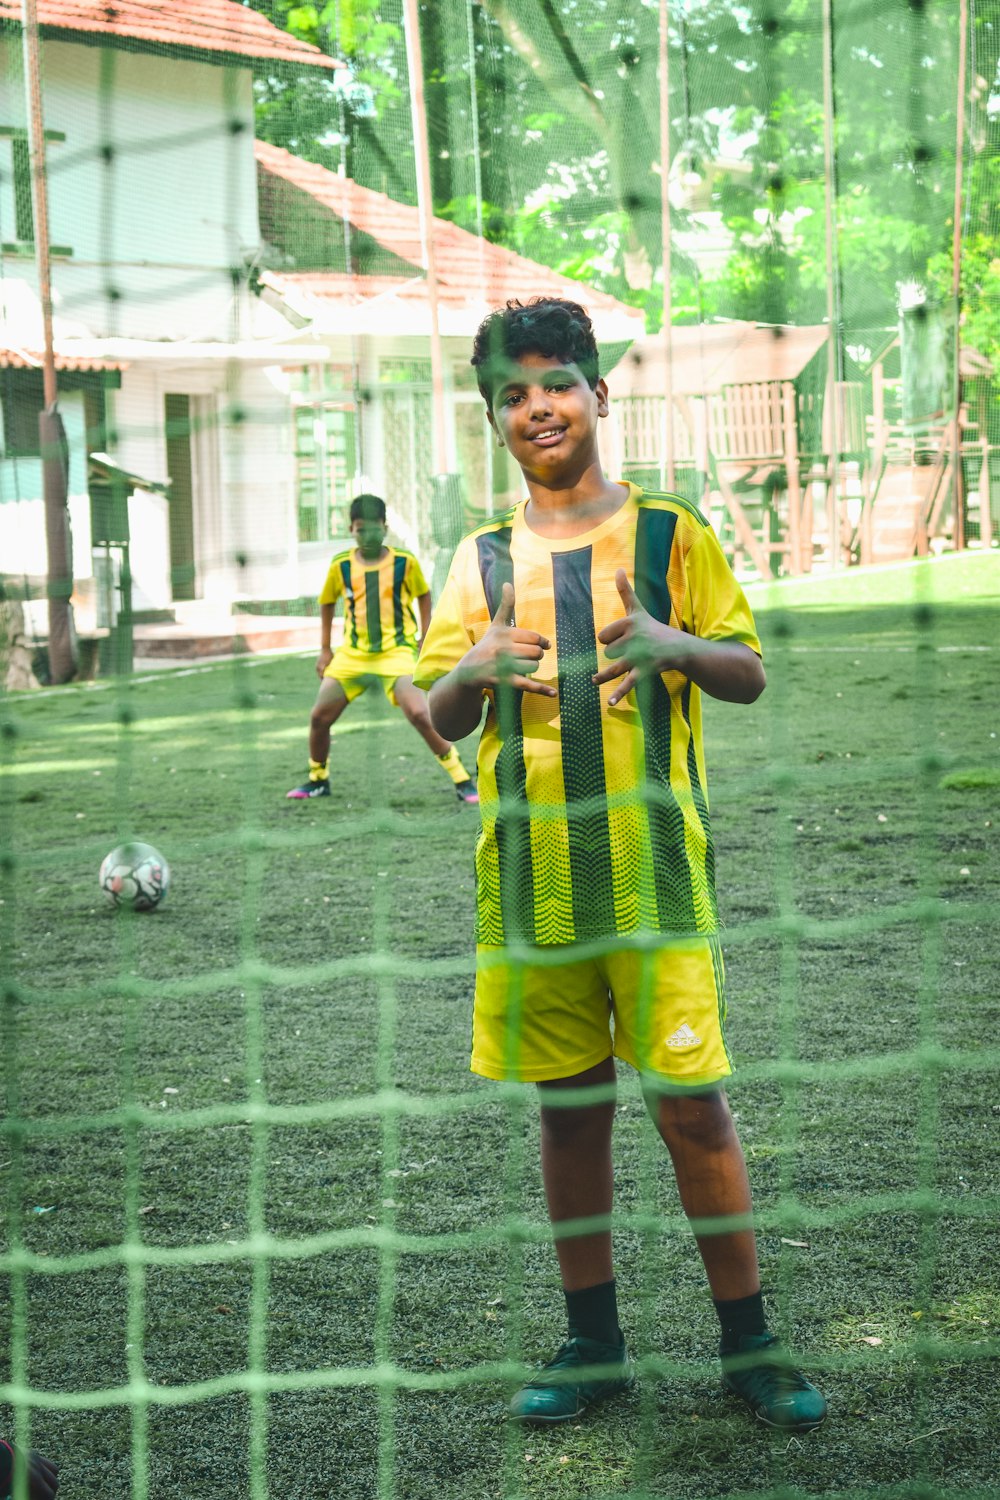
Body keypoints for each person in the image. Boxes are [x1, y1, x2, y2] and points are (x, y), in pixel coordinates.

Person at [414, 297, 827, 1430]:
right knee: (568, 1117)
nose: (535, 406)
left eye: (554, 381)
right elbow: (442, 714)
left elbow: (745, 670)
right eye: (510, 392)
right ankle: (590, 1343)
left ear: (600, 392)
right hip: (532, 888)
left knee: (694, 1110)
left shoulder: (667, 535)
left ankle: (750, 1342)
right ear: (493, 417)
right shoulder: (481, 556)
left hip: (654, 883)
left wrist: (672, 645)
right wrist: (477, 666)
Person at [286, 493, 478, 804]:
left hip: (396, 654)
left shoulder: (404, 562)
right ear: (351, 529)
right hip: (353, 655)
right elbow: (326, 603)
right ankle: (317, 779)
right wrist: (325, 649)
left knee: (419, 712)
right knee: (319, 717)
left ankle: (463, 779)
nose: (367, 535)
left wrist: (425, 633)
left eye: (373, 529)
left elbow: (424, 595)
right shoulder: (341, 565)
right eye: (360, 529)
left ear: (384, 528)